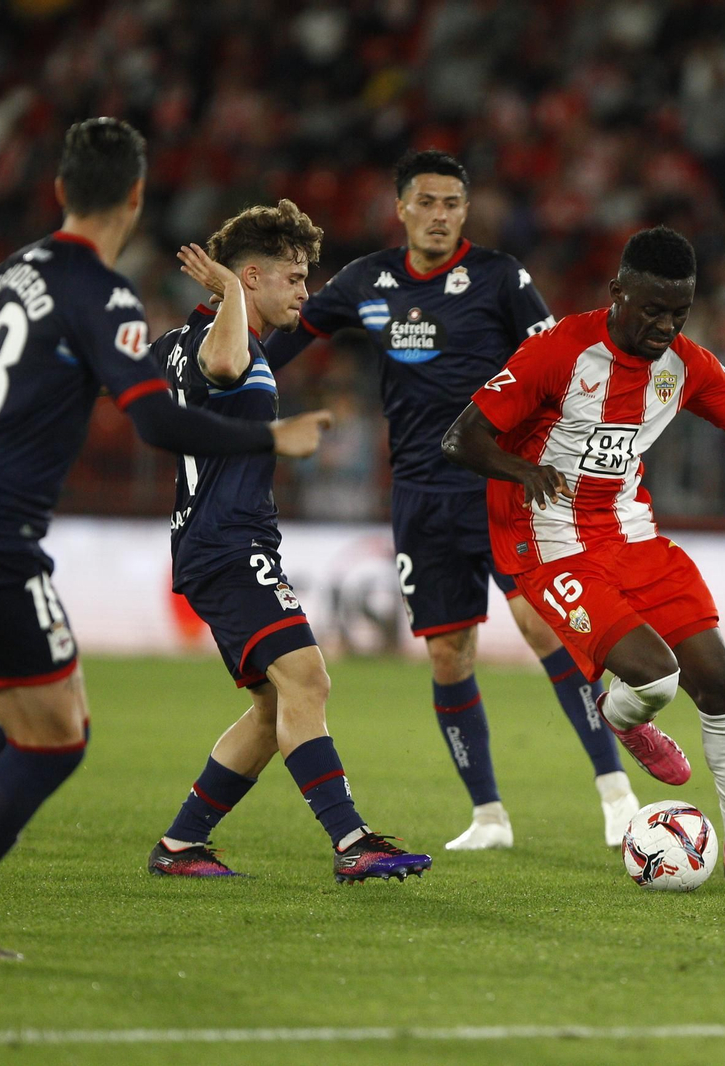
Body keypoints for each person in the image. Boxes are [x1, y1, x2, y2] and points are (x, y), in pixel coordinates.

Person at [0, 119, 333, 960]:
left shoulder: (7, 276)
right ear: (135, 198)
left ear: (60, 190)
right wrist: (267, 439)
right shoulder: (100, 295)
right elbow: (151, 420)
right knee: (57, 739)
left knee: (35, 723)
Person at [441, 225, 725, 890]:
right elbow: (461, 438)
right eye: (651, 309)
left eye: (678, 313)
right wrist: (519, 470)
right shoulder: (560, 350)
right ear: (618, 293)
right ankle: (624, 715)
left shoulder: (686, 364)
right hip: (549, 542)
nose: (664, 326)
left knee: (722, 683)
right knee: (655, 679)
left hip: (632, 534)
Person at [264, 150, 638, 851]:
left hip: (500, 487)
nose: (439, 216)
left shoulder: (500, 278)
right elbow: (280, 343)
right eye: (426, 202)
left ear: (466, 212)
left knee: (544, 630)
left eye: (452, 204)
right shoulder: (362, 281)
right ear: (400, 207)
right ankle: (489, 816)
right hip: (418, 497)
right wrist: (218, 368)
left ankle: (615, 794)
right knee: (449, 657)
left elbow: (561, 361)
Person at [144, 202, 432, 882]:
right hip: (227, 544)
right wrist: (234, 298)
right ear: (251, 277)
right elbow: (223, 362)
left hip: (215, 544)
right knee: (308, 676)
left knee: (277, 702)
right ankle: (352, 841)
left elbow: (111, 378)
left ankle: (181, 845)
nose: (306, 292)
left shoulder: (174, 344)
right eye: (295, 278)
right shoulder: (226, 343)